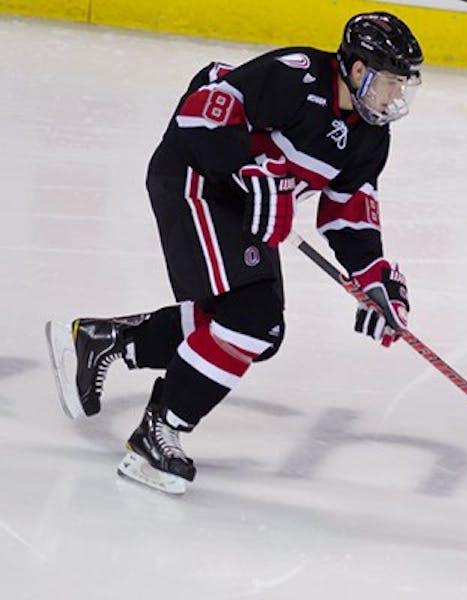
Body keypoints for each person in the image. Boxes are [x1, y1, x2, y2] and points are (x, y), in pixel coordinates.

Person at [44, 12, 423, 494]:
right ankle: (158, 431)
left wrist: (373, 278)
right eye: (389, 82)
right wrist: (248, 172)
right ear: (357, 69)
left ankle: (108, 340)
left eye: (402, 85)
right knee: (250, 320)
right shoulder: (299, 75)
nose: (394, 96)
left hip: (242, 204)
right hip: (195, 178)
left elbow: (348, 212)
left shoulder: (371, 137)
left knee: (260, 330)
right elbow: (202, 109)